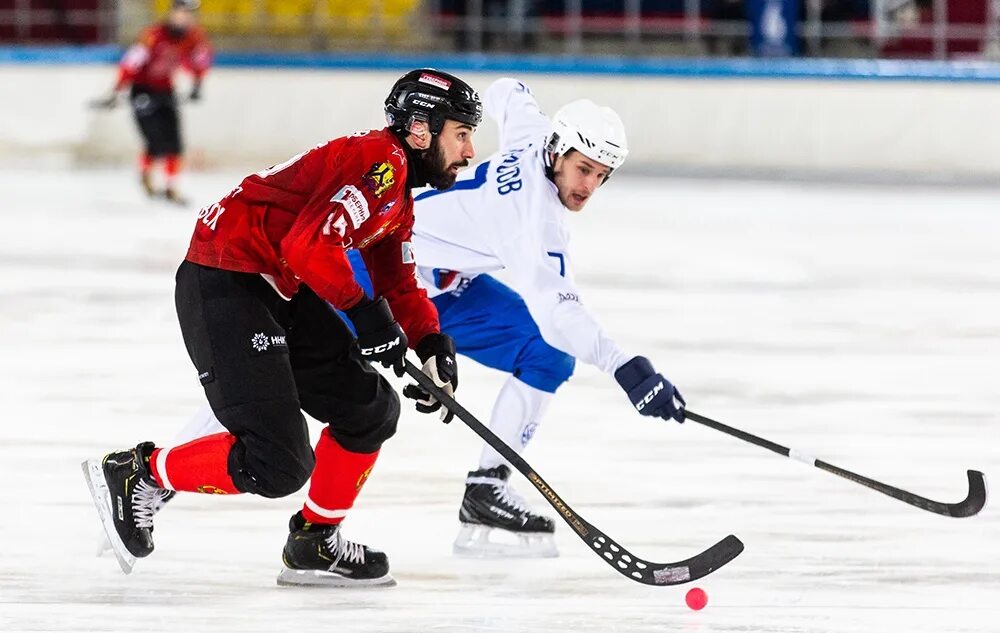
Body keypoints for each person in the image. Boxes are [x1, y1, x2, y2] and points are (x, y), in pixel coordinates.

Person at [83, 68, 482, 587]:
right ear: (421, 129)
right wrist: (364, 314)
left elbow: (397, 277)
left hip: (279, 287)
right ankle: (139, 473)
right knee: (278, 465)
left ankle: (315, 541)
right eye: (462, 133)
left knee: (369, 408)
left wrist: (430, 340)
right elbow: (308, 246)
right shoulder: (378, 163)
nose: (470, 150)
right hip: (226, 281)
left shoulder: (396, 190)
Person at [402, 78, 686, 557]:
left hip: (441, 282)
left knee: (547, 357)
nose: (588, 186)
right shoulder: (532, 220)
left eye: (601, 175)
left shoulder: (535, 136)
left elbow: (506, 90)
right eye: (583, 170)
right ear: (558, 151)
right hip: (377, 274)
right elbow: (556, 313)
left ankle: (486, 486)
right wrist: (624, 366)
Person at [94, 0, 212, 203]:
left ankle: (171, 187)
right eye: (181, 12)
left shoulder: (193, 36)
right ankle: (146, 174)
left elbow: (199, 58)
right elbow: (132, 62)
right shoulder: (153, 35)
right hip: (142, 90)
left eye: (189, 14)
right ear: (172, 13)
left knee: (175, 142)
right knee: (155, 140)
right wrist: (117, 90)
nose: (184, 18)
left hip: (166, 90)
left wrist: (197, 84)